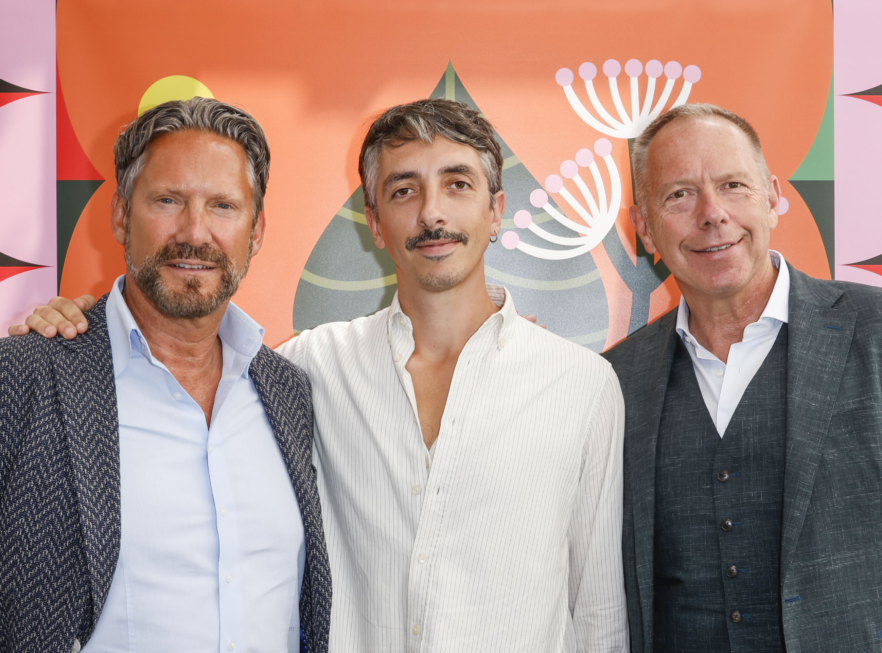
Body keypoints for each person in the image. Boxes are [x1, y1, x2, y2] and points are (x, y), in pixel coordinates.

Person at [15, 98, 629, 652]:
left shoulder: (579, 384)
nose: (432, 214)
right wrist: (63, 328)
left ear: (496, 211)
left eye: (458, 185)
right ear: (374, 217)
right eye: (403, 190)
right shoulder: (311, 369)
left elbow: (599, 614)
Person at [0, 97, 331, 653]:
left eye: (224, 205)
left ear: (256, 230)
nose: (195, 232)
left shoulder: (290, 391)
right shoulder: (25, 377)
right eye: (168, 200)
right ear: (121, 215)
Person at [601, 103, 882, 652]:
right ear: (645, 227)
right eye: (679, 194)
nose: (712, 214)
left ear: (773, 197)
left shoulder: (875, 331)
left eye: (733, 185)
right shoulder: (614, 381)